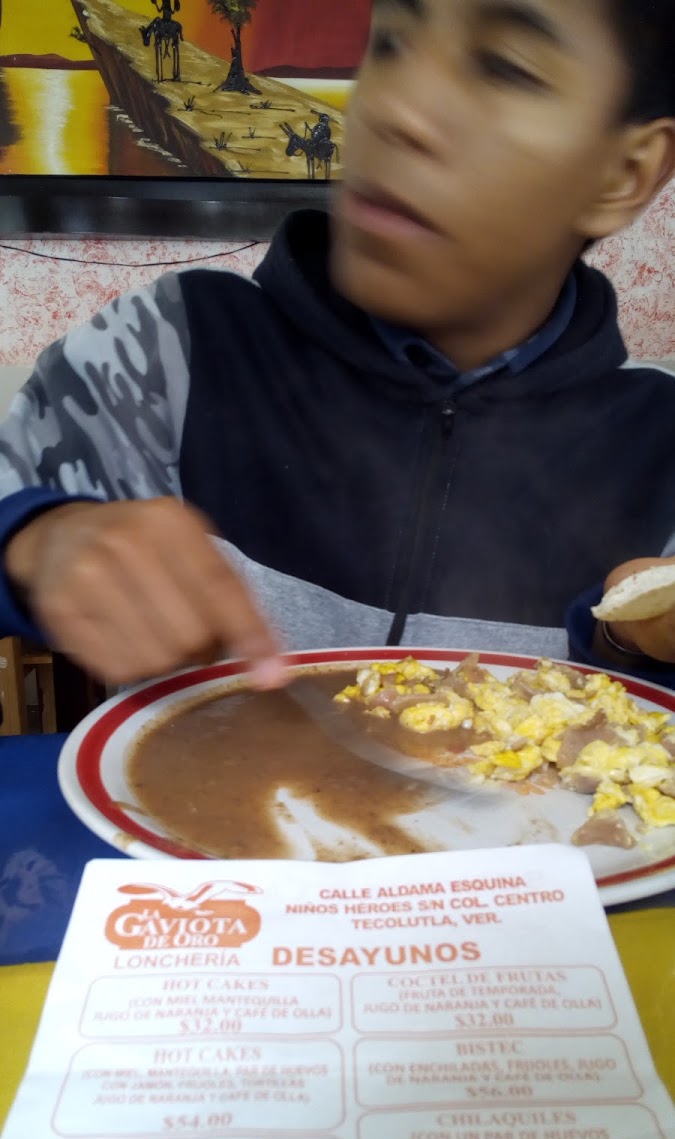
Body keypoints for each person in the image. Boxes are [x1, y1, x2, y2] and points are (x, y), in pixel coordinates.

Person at [0, 0, 674, 692]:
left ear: (624, 174)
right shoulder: (170, 348)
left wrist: (625, 639)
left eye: (505, 68)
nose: (395, 109)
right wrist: (33, 538)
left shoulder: (660, 447)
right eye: (391, 44)